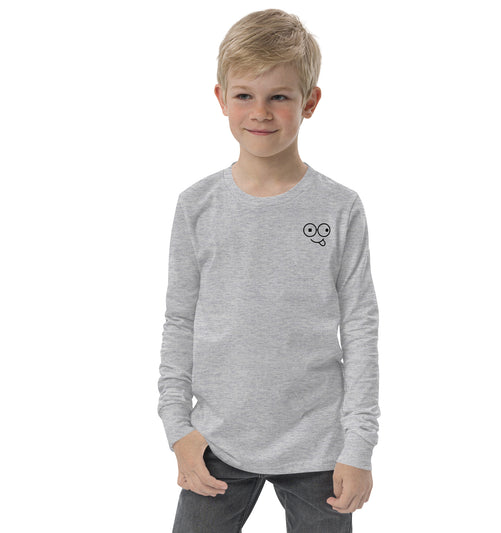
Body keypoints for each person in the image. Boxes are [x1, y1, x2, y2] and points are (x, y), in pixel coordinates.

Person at [157, 8, 381, 532]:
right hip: (216, 443)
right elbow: (179, 321)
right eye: (244, 95)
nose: (260, 112)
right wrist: (177, 428)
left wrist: (359, 445)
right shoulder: (197, 206)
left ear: (310, 102)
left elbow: (360, 328)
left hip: (319, 447)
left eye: (279, 96)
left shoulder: (340, 208)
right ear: (221, 99)